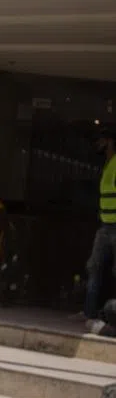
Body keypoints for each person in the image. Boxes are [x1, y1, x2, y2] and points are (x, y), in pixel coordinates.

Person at [85, 127, 116, 334]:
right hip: (106, 226)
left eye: (102, 141)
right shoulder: (108, 164)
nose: (98, 145)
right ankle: (90, 314)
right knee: (94, 268)